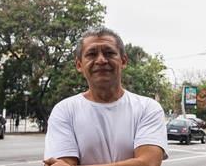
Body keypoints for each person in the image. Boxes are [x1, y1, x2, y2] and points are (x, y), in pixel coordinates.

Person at [43, 27, 168, 166]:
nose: (101, 60)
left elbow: (148, 163)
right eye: (91, 54)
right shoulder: (64, 111)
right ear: (79, 65)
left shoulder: (147, 108)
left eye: (109, 53)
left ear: (123, 61)